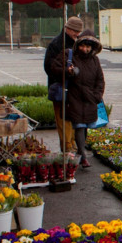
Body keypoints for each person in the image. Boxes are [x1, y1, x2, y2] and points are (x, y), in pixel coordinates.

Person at [49, 30, 104, 168]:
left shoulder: (94, 60)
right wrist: (67, 71)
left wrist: (97, 95)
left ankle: (80, 152)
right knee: (79, 126)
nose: (85, 49)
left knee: (85, 126)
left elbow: (100, 80)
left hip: (89, 98)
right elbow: (54, 68)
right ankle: (83, 156)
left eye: (88, 46)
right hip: (74, 97)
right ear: (78, 45)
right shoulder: (69, 55)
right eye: (82, 46)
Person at [44, 15, 83, 153]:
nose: (77, 34)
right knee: (63, 118)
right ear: (67, 28)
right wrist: (66, 72)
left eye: (79, 32)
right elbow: (49, 68)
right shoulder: (56, 44)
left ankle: (72, 143)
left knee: (72, 117)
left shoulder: (77, 43)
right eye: (75, 31)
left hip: (74, 88)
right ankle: (67, 146)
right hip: (60, 87)